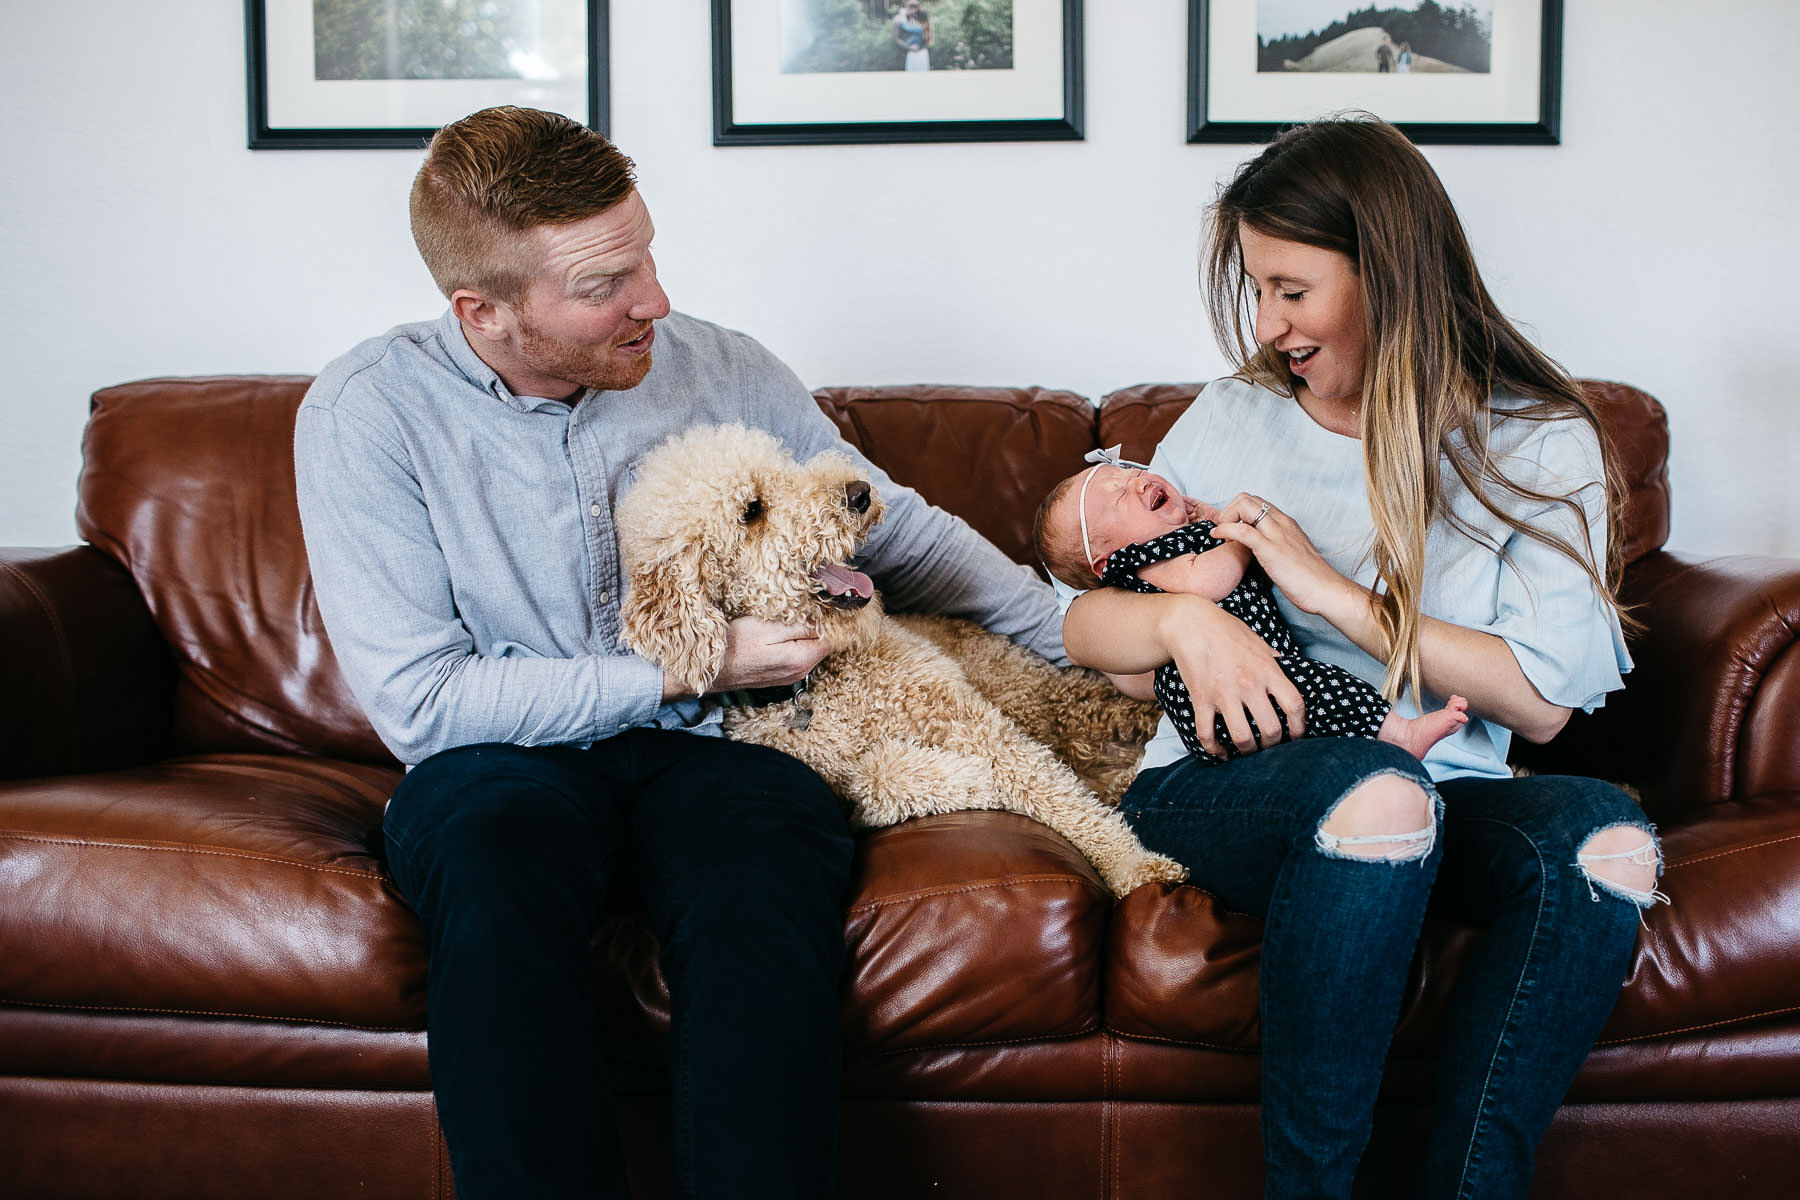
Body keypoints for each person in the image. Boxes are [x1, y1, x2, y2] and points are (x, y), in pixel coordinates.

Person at [293, 105, 1065, 1199]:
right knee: (491, 855)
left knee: (765, 860)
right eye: (605, 284)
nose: (652, 297)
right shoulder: (367, 416)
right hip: (506, 756)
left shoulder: (724, 366)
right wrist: (695, 663)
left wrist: (1077, 637)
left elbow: (890, 526)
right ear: (486, 310)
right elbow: (424, 704)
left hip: (719, 747)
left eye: (646, 254)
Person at [1059, 114, 1666, 1199]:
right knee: (1379, 794)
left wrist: (1337, 594)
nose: (1268, 323)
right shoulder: (1233, 415)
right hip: (1226, 781)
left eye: (1293, 289)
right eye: (1257, 289)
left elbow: (1538, 709)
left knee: (1605, 843)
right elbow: (1086, 629)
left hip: (1450, 784)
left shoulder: (1534, 439)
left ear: (1389, 267)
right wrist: (1182, 626)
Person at [1033, 454, 1469, 765]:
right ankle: (1400, 734)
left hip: (1253, 675)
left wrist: (1205, 518)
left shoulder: (1179, 535)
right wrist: (1242, 536)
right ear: (1106, 560)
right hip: (1221, 693)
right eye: (1117, 499)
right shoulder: (1144, 560)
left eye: (1129, 473)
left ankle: (1376, 744)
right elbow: (1206, 582)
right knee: (1322, 687)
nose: (1137, 483)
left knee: (1314, 703)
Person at [892, 0, 932, 71]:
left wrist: (900, 17)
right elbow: (896, 38)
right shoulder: (905, 20)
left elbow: (909, 27)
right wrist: (909, 47)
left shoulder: (921, 23)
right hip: (912, 52)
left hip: (921, 52)